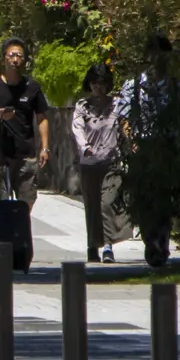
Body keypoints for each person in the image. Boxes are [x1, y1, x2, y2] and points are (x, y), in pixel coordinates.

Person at [119, 32, 180, 266]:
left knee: (165, 198)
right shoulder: (133, 85)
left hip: (167, 146)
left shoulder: (176, 86)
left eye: (161, 53)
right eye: (153, 53)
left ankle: (162, 243)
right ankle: (151, 242)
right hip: (143, 147)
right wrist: (131, 140)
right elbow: (123, 117)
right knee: (144, 199)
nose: (157, 58)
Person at [0, 35, 51, 214]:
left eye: (20, 56)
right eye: (12, 55)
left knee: (26, 202)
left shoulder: (32, 86)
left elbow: (42, 117)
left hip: (26, 154)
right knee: (1, 203)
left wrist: (45, 148)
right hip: (0, 154)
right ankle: (4, 238)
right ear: (4, 57)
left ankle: (20, 236)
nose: (15, 59)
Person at [71, 62, 122, 263]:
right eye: (94, 83)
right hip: (89, 163)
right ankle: (93, 245)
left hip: (111, 162)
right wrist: (85, 147)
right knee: (92, 206)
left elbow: (125, 125)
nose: (98, 87)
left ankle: (108, 246)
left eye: (101, 83)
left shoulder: (117, 104)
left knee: (107, 204)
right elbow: (77, 128)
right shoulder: (82, 106)